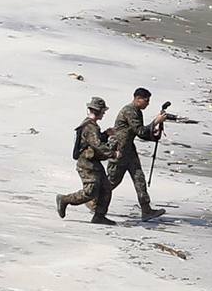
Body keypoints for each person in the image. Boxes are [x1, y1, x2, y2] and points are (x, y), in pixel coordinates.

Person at [103, 87, 168, 220]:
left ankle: (146, 209)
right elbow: (140, 131)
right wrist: (156, 121)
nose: (148, 103)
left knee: (139, 178)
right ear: (138, 99)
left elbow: (142, 133)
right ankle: (92, 199)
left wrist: (154, 134)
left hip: (129, 150)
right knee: (112, 180)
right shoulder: (129, 111)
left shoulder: (137, 111)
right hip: (119, 149)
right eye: (146, 100)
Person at [55, 96, 116, 225]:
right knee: (90, 191)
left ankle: (99, 216)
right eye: (102, 111)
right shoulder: (90, 127)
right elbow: (97, 145)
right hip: (87, 163)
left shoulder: (91, 126)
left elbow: (94, 142)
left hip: (93, 162)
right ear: (98, 111)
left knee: (106, 188)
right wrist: (112, 153)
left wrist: (105, 134)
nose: (103, 113)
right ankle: (65, 199)